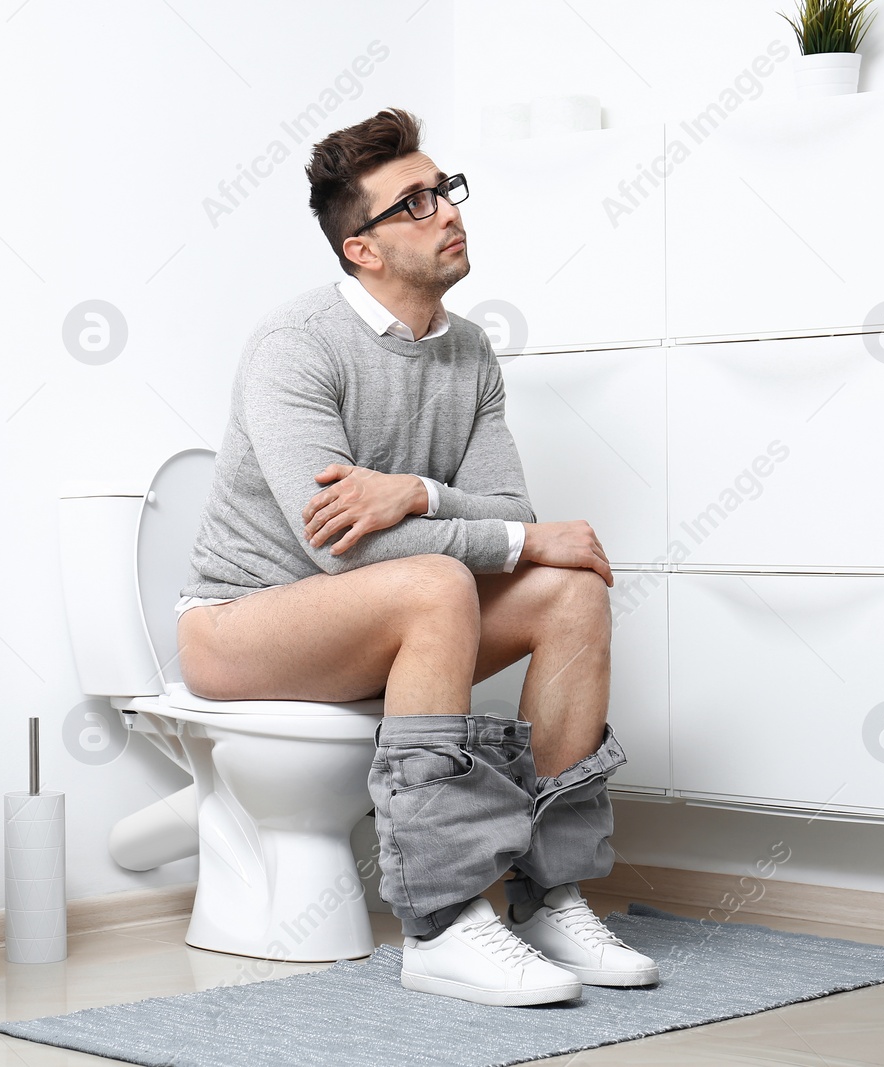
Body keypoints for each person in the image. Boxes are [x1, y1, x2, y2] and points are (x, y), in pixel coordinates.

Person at [174, 107, 658, 1006]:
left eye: (447, 191)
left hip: (373, 623)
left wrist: (417, 491)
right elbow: (345, 552)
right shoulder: (296, 347)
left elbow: (507, 512)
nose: (448, 212)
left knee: (570, 593)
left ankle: (550, 896)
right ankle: (442, 922)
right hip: (239, 627)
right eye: (417, 202)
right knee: (438, 582)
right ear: (361, 248)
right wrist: (488, 533)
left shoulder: (469, 350)